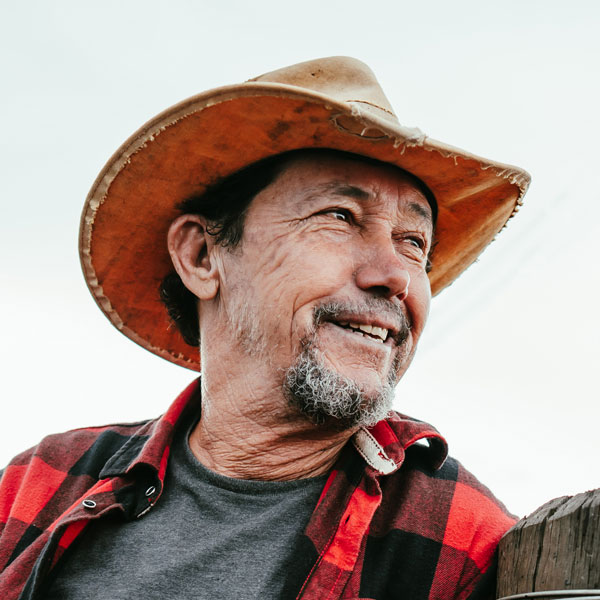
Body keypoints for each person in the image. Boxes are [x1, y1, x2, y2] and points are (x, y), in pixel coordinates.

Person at [0, 57, 529, 599]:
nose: (395, 276)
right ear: (203, 256)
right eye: (340, 216)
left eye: (414, 243)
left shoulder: (470, 542)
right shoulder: (38, 483)